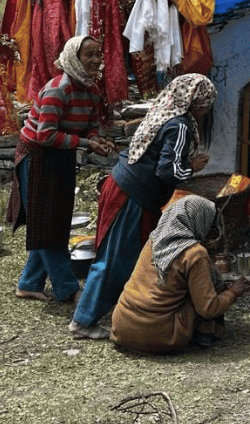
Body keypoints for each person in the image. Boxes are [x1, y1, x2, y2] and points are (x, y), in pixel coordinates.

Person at [69, 73, 218, 340]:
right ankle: (83, 320)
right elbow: (166, 171)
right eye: (207, 104)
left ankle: (123, 308)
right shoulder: (180, 125)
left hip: (123, 187)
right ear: (197, 102)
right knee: (112, 260)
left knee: (129, 256)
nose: (208, 110)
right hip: (133, 195)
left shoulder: (163, 113)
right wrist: (190, 167)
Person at [6, 35, 115, 304]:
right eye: (88, 54)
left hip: (61, 155)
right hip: (38, 156)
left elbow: (88, 124)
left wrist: (95, 140)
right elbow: (45, 136)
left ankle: (28, 284)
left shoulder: (91, 90)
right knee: (47, 222)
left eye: (98, 54)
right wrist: (87, 143)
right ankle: (67, 288)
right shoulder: (58, 89)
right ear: (72, 58)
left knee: (53, 221)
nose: (95, 60)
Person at [110, 194, 250, 353]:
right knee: (210, 286)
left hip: (122, 327)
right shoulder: (195, 254)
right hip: (159, 336)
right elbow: (208, 308)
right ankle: (204, 335)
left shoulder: (154, 240)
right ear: (199, 222)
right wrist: (233, 292)